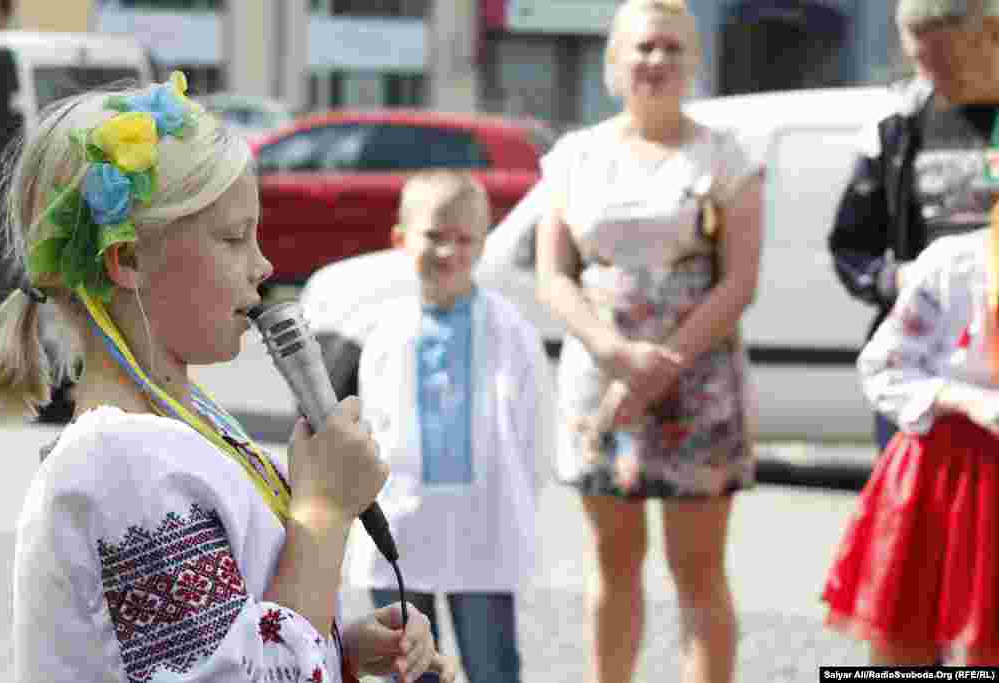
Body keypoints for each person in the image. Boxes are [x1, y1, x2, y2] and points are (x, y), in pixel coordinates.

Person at [0, 73, 456, 683]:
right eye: (233, 238)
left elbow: (232, 639)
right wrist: (324, 510)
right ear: (128, 259)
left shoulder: (181, 429)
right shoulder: (126, 462)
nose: (263, 265)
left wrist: (343, 650)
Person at [535, 1, 764, 682]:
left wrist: (662, 365)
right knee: (613, 559)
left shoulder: (728, 157)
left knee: (698, 567)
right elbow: (554, 275)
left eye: (671, 47)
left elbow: (739, 281)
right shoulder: (575, 156)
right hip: (600, 377)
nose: (656, 60)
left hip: (698, 379)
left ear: (694, 61)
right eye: (643, 47)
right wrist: (615, 353)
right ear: (615, 61)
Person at [346, 170, 553, 683]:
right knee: (410, 665)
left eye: (464, 239)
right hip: (403, 525)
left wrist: (516, 504)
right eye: (435, 236)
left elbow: (535, 436)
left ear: (484, 243)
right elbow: (373, 432)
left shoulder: (512, 331)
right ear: (400, 239)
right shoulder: (385, 333)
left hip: (484, 527)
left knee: (492, 665)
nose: (448, 251)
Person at [821, 198, 999, 665]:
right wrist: (968, 401)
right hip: (938, 472)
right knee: (904, 652)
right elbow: (883, 367)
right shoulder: (952, 262)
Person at [828, 0, 999, 452]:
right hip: (925, 381)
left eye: (949, 62)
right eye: (922, 62)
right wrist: (898, 279)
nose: (934, 78)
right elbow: (851, 247)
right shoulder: (897, 126)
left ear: (994, 33)